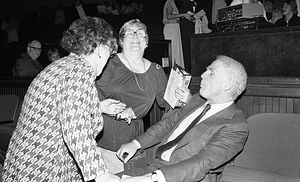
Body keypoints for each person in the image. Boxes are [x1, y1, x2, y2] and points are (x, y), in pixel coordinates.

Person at [2, 16, 126, 182]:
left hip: (28, 159)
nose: (109, 57)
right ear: (99, 48)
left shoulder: (63, 65)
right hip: (42, 167)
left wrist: (98, 106)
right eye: (108, 51)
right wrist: (100, 173)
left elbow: (60, 108)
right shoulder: (79, 70)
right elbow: (76, 128)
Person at [116, 55, 249, 182]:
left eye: (211, 72)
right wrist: (136, 143)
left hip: (181, 177)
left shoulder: (236, 126)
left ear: (227, 85)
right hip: (154, 167)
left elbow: (201, 163)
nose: (203, 75)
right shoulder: (197, 100)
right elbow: (168, 124)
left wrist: (154, 178)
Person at [96, 19, 191, 152]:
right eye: (129, 33)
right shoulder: (109, 63)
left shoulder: (156, 70)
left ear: (146, 42)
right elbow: (94, 96)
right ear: (121, 41)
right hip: (104, 135)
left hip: (135, 139)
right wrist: (113, 109)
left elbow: (168, 103)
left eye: (140, 33)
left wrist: (184, 99)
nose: (135, 36)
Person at [163, 0, 193, 69]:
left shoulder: (172, 2)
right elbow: (169, 16)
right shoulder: (170, 2)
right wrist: (183, 14)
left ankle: (177, 69)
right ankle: (173, 69)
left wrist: (182, 16)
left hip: (174, 27)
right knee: (173, 49)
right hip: (171, 26)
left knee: (176, 48)